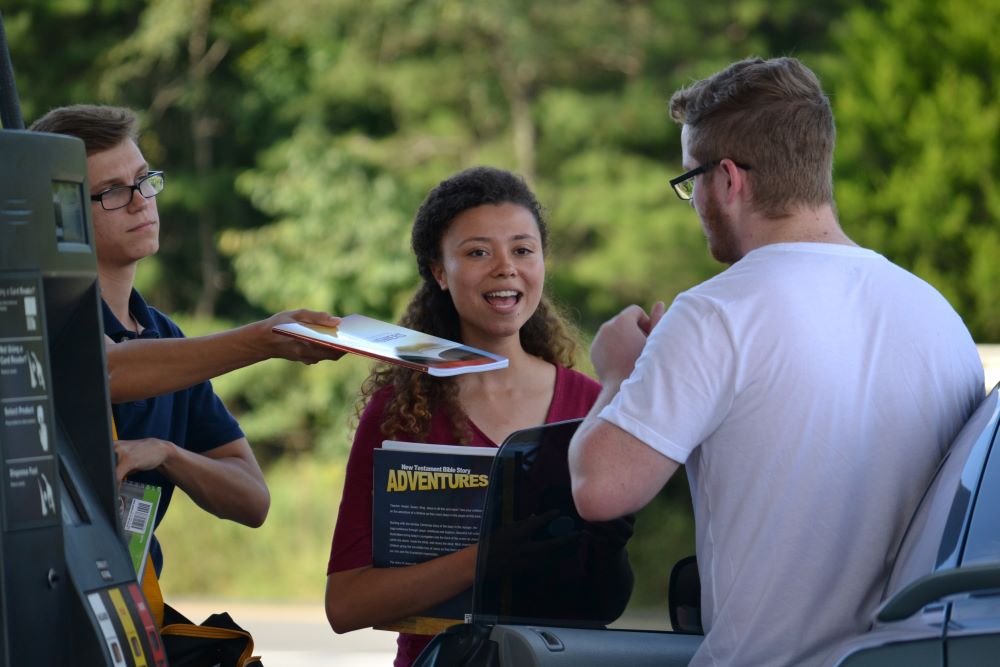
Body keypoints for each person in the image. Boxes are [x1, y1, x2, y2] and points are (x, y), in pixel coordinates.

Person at [567, 57, 985, 667]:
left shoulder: (716, 314)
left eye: (691, 181)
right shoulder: (940, 318)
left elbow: (599, 489)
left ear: (729, 180)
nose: (694, 201)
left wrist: (615, 374)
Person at [29, 104, 342, 577]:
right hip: (46, 598)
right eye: (111, 192)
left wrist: (168, 454)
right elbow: (106, 370)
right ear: (59, 217)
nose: (140, 201)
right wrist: (264, 339)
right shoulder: (38, 315)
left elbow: (252, 500)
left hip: (131, 603)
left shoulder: (163, 335)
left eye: (143, 180)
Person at [325, 166, 602, 667]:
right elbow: (346, 604)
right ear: (438, 271)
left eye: (522, 249)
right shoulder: (399, 412)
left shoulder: (595, 405)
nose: (505, 267)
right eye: (478, 252)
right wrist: (487, 560)